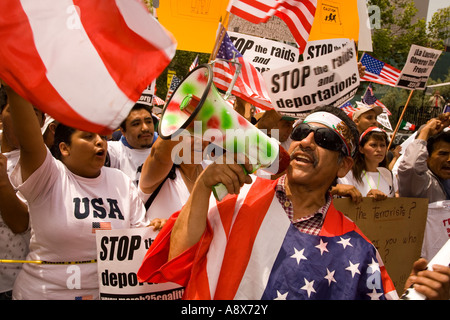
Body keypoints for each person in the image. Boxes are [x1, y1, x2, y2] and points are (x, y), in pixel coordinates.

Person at [138, 105, 404, 300]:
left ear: (344, 164)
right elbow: (177, 255)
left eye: (325, 139)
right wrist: (202, 187)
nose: (307, 141)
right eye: (302, 132)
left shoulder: (357, 249)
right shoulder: (237, 192)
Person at [3, 82, 148, 300]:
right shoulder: (48, 177)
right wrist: (16, 84)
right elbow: (29, 138)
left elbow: (139, 241)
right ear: (64, 148)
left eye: (101, 136)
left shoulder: (122, 182)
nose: (99, 141)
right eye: (88, 137)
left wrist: (155, 230)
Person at [0, 86, 45, 300]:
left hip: (15, 286)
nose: (23, 118)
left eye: (33, 112)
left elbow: (20, 223)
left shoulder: (45, 167)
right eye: (14, 109)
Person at [333, 127, 398, 203]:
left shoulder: (390, 175)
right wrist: (367, 201)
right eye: (373, 145)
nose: (379, 149)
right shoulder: (349, 174)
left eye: (383, 145)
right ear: (361, 149)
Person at [397, 113, 450, 202]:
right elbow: (411, 167)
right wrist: (426, 130)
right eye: (443, 154)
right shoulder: (420, 183)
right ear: (426, 157)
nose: (449, 160)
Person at [107, 102, 158, 186]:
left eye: (148, 122)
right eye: (136, 124)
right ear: (123, 131)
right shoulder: (113, 152)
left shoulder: (169, 150)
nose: (145, 128)